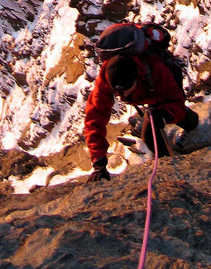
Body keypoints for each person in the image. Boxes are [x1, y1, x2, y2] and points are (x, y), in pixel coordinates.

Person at [84, 50, 199, 181]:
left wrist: (164, 115)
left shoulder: (156, 69)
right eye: (118, 92)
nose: (122, 96)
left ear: (136, 78)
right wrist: (99, 163)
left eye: (125, 90)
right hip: (144, 91)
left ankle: (190, 124)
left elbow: (176, 102)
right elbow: (94, 119)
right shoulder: (106, 79)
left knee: (152, 129)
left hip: (159, 88)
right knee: (150, 128)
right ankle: (166, 162)